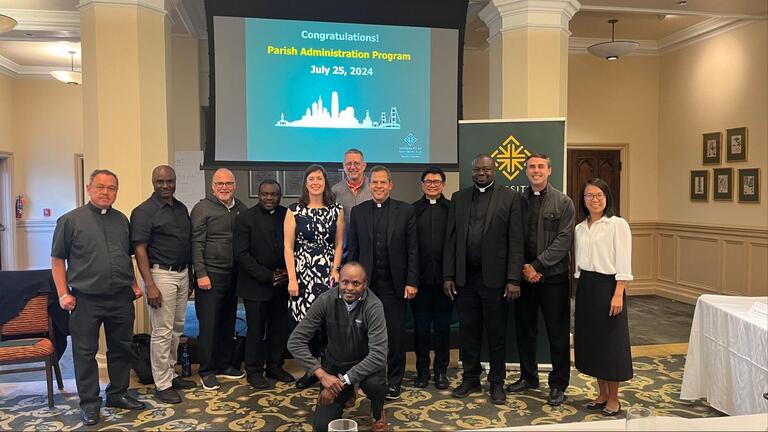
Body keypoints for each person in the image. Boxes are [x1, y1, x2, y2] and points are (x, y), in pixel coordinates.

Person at [51, 169, 146, 426]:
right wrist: (62, 294)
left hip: (120, 298)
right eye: (100, 187)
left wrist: (134, 284)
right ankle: (90, 404)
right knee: (84, 352)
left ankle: (117, 394)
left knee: (121, 348)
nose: (106, 192)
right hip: (85, 300)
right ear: (89, 188)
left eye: (112, 188)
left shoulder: (121, 219)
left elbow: (126, 256)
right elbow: (57, 260)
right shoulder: (69, 221)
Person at [443, 154, 524, 405]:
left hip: (497, 281)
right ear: (471, 171)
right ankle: (470, 378)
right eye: (477, 169)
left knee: (496, 334)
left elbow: (516, 241)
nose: (482, 173)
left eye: (486, 169)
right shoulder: (460, 198)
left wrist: (513, 279)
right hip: (466, 280)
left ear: (494, 171)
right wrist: (448, 275)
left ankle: (497, 382)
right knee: (469, 332)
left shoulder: (510, 197)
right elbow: (451, 239)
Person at [506, 154, 575, 406]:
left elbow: (563, 241)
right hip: (523, 279)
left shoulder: (563, 202)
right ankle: (528, 377)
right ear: (526, 171)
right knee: (525, 331)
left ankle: (558, 384)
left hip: (553, 278)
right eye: (532, 167)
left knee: (557, 334)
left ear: (549, 170)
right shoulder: (517, 200)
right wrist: (523, 269)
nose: (536, 171)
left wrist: (535, 266)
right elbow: (512, 237)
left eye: (540, 167)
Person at [287, 262, 388, 432]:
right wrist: (321, 374)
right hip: (335, 365)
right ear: (338, 281)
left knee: (375, 384)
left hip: (366, 365)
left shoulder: (374, 306)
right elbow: (295, 341)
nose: (349, 288)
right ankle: (348, 393)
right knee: (321, 427)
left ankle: (377, 412)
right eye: (345, 282)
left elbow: (379, 355)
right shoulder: (325, 300)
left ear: (365, 285)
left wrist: (341, 382)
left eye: (356, 283)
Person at [347, 165, 418, 400]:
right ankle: (367, 380)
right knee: (363, 335)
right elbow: (354, 250)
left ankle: (394, 381)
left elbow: (412, 251)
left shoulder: (405, 211)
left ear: (390, 184)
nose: (378, 186)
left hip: (394, 285)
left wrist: (411, 281)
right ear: (369, 184)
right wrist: (352, 283)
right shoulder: (358, 212)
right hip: (365, 287)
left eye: (382, 182)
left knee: (395, 335)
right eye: (374, 182)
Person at [130, 165, 197, 404]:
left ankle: (171, 373)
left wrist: (189, 274)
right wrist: (150, 285)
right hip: (160, 275)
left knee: (177, 328)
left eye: (170, 181)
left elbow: (186, 244)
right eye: (160, 182)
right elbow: (139, 249)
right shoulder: (143, 211)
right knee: (162, 330)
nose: (166, 185)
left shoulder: (181, 208)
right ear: (153, 182)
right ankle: (162, 383)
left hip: (181, 274)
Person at [573, 178, 633, 416]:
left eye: (599, 195)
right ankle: (601, 394)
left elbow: (624, 262)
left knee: (610, 344)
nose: (594, 200)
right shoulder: (580, 227)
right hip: (587, 286)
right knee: (593, 343)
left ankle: (614, 399)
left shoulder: (617, 225)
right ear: (583, 199)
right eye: (589, 195)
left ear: (607, 198)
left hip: (609, 287)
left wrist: (618, 293)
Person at [284, 164, 344, 389]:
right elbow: (288, 247)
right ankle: (312, 371)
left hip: (328, 274)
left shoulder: (336, 209)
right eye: (311, 179)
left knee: (328, 325)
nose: (316, 182)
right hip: (303, 275)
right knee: (306, 326)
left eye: (319, 178)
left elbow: (339, 244)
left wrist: (336, 270)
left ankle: (328, 370)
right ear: (306, 183)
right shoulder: (294, 210)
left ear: (325, 182)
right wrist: (292, 278)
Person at [190, 168, 249, 390]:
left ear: (235, 185)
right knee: (209, 323)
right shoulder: (201, 208)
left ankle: (225, 364)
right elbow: (196, 244)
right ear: (212, 186)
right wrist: (201, 274)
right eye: (220, 184)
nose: (224, 187)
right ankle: (207, 370)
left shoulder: (240, 208)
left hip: (233, 275)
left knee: (228, 321)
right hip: (210, 276)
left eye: (228, 183)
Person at [233, 179, 293, 389]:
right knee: (256, 330)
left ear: (280, 196)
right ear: (259, 195)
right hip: (255, 284)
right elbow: (241, 254)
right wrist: (267, 276)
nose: (269, 198)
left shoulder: (287, 215)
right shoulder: (245, 218)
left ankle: (275, 366)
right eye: (265, 194)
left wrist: (287, 272)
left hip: (282, 283)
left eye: (274, 194)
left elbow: (293, 246)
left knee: (279, 328)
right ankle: (254, 370)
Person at [411, 167, 452, 390]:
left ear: (443, 185)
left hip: (446, 282)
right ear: (422, 184)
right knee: (421, 328)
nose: (433, 184)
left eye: (437, 181)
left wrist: (451, 276)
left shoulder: (452, 209)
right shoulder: (412, 210)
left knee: (443, 328)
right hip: (421, 281)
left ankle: (441, 371)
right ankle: (422, 371)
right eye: (428, 181)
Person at [331, 148, 373, 254]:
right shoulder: (334, 191)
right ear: (343, 166)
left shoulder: (374, 188)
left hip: (371, 250)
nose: (352, 167)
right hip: (344, 251)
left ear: (364, 165)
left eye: (357, 164)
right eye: (349, 164)